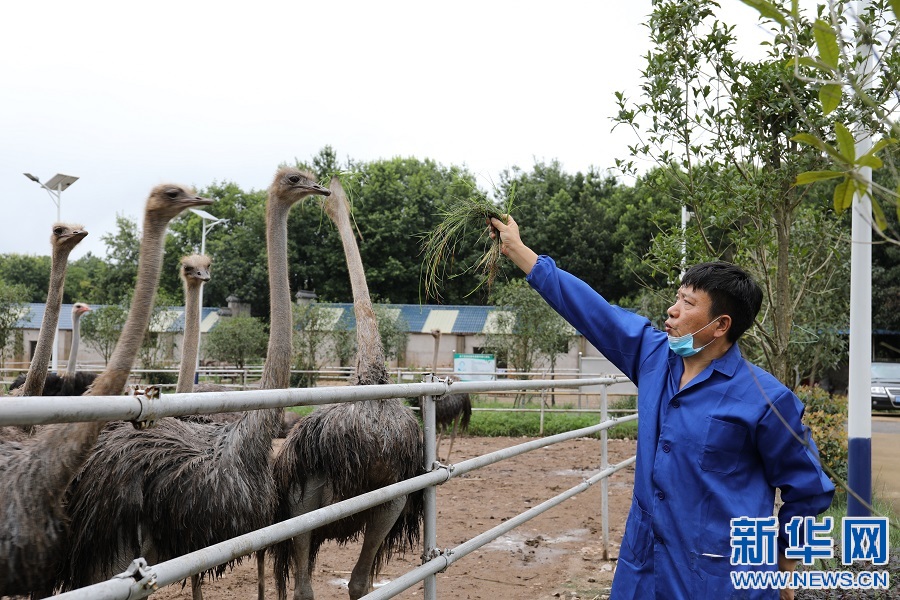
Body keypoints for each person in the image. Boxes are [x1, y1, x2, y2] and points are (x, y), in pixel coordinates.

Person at [490, 215, 835, 600]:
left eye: (687, 304)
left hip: (720, 579)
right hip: (643, 569)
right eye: (677, 298)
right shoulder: (653, 356)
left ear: (721, 325)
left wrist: (785, 563)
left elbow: (809, 489)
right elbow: (592, 310)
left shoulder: (766, 400)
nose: (672, 310)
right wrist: (518, 250)